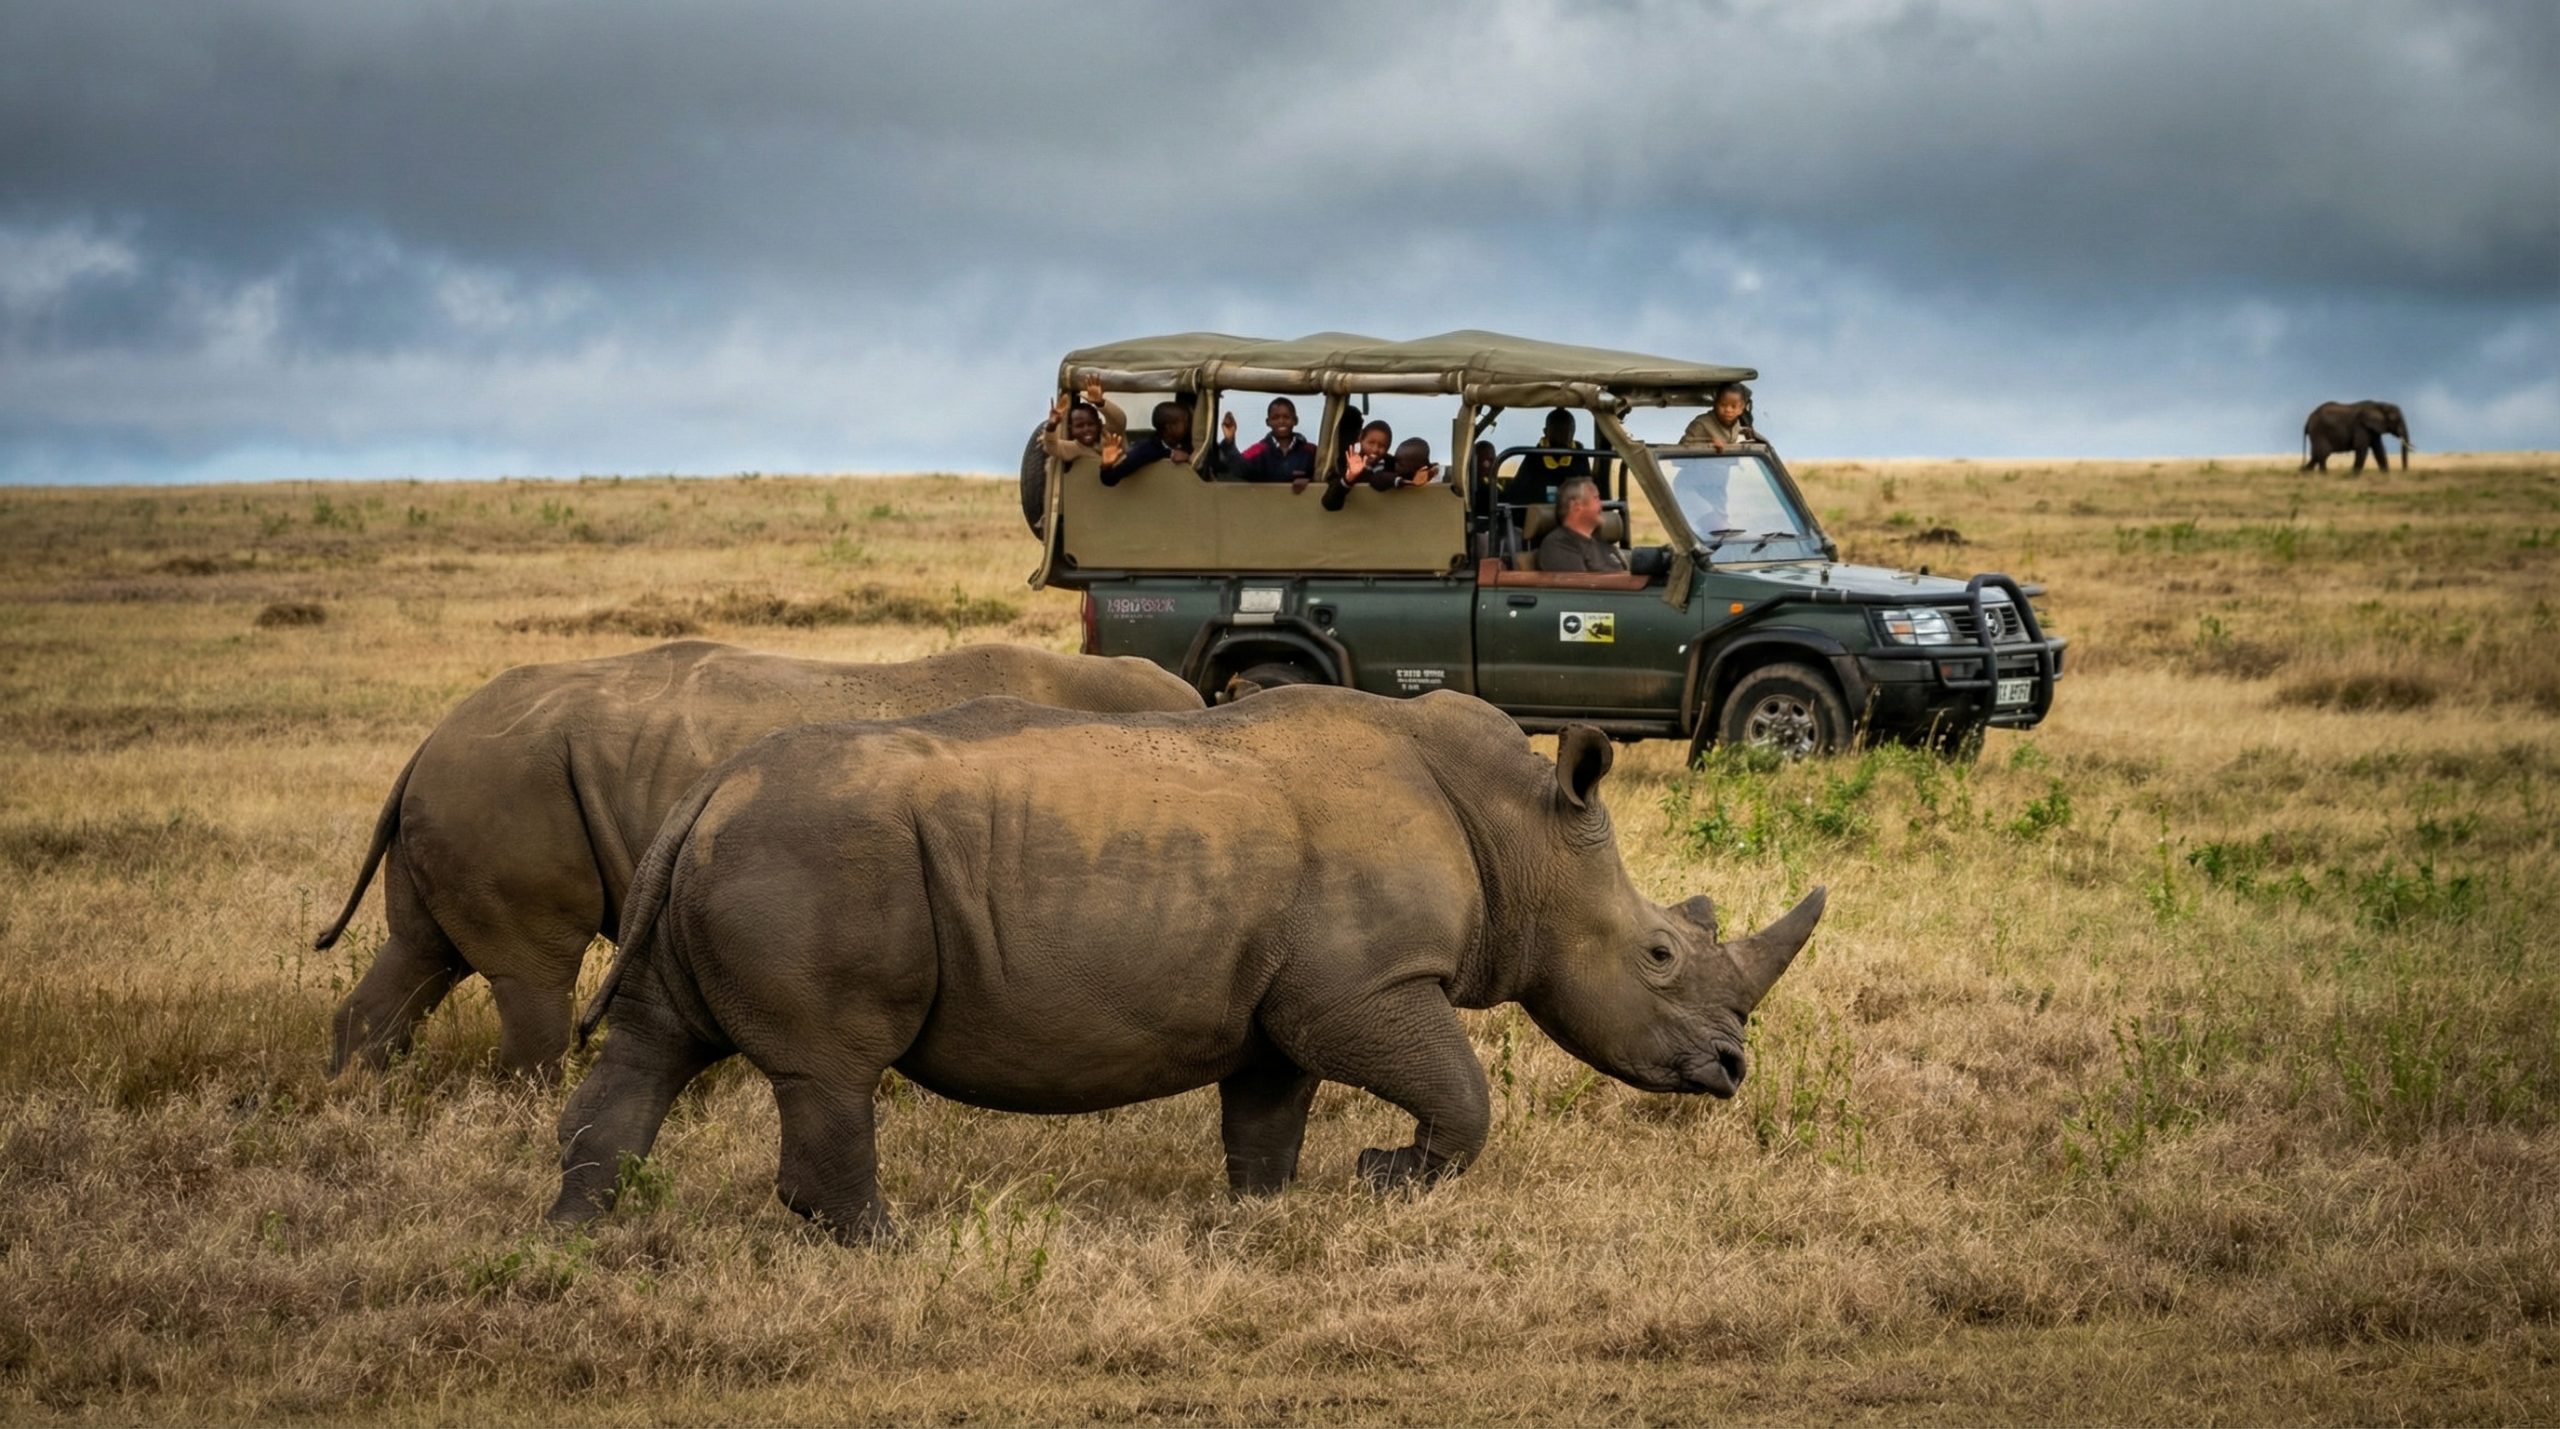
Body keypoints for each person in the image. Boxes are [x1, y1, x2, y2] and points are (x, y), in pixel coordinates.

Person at [1208, 397, 1318, 487]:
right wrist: (1229, 440)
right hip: (1266, 508)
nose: (1281, 421)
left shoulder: (1310, 451)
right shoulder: (1259, 450)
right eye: (1275, 417)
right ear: (1268, 422)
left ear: (1295, 420)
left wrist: (1310, 481)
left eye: (1286, 417)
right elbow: (1241, 469)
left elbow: (1325, 472)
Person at [1535, 474, 1626, 573]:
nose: (1601, 505)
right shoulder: (1558, 545)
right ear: (1576, 506)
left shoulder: (1601, 543)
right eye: (1596, 498)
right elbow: (1580, 585)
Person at [1099, 400, 1200, 486]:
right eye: (1186, 421)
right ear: (1170, 427)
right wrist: (1106, 466)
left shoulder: (1190, 443)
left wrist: (1188, 457)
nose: (1190, 425)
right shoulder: (1146, 450)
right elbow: (1110, 479)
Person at [1507, 408, 1593, 507]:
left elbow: (1588, 492)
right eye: (1559, 431)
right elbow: (1517, 494)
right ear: (1545, 431)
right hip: (1540, 514)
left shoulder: (1579, 456)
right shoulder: (1534, 456)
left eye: (1568, 431)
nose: (1565, 435)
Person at [1679, 383, 1763, 449]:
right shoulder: (1701, 424)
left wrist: (1745, 431)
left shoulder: (1735, 423)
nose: (1728, 410)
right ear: (1715, 404)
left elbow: (1733, 431)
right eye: (1723, 405)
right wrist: (1709, 446)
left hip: (1723, 468)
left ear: (1741, 409)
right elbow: (1682, 449)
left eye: (1733, 406)